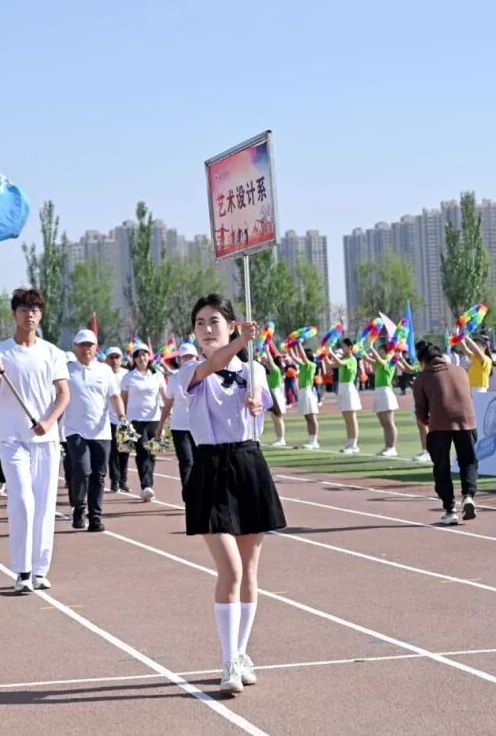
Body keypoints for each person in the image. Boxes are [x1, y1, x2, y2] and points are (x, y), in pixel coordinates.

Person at [179, 293, 286, 695]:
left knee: (250, 570)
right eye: (200, 322)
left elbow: (270, 410)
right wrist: (240, 342)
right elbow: (212, 366)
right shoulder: (190, 370)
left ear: (230, 325)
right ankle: (227, 661)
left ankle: (241, 654)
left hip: (248, 463)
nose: (207, 329)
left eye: (215, 322)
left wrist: (257, 406)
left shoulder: (254, 369)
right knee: (231, 569)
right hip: (210, 468)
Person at [0, 287, 69, 594]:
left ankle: (40, 570)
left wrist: (48, 422)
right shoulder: (0, 352)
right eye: (23, 309)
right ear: (14, 314)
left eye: (34, 310)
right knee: (22, 499)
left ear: (41, 315)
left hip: (45, 439)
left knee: (45, 505)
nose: (29, 315)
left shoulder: (52, 353)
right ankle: (22, 570)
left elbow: (64, 395)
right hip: (11, 438)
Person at [412, 340, 478, 525]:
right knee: (468, 461)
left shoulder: (422, 378)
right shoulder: (460, 370)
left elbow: (420, 412)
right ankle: (468, 495)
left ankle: (450, 509)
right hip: (467, 421)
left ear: (423, 361)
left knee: (441, 466)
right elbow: (469, 396)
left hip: (439, 424)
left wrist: (428, 421)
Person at [64, 329, 123, 531]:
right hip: (75, 430)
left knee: (99, 474)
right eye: (82, 345)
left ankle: (95, 517)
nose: (86, 349)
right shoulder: (67, 370)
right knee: (82, 470)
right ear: (75, 347)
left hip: (101, 431)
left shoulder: (104, 370)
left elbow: (114, 396)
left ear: (96, 348)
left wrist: (122, 416)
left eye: (89, 345)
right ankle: (79, 508)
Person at [120, 341, 167, 502]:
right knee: (143, 451)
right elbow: (123, 399)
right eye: (138, 355)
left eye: (145, 355)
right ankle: (146, 485)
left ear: (149, 357)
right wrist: (123, 419)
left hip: (154, 419)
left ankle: (147, 486)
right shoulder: (128, 377)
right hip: (135, 420)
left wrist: (167, 413)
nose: (142, 358)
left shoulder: (157, 375)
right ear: (134, 359)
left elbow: (165, 396)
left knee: (152, 453)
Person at [161, 342, 199, 498]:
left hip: (200, 426)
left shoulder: (204, 374)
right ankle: (189, 496)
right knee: (187, 462)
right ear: (180, 359)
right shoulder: (175, 378)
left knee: (200, 462)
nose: (188, 360)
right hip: (179, 427)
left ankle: (200, 495)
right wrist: (160, 425)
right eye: (185, 357)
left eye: (191, 356)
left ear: (196, 357)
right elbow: (168, 403)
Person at [364, 343, 407, 457]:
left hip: (386, 393)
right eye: (379, 351)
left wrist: (372, 347)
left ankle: (392, 447)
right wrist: (361, 348)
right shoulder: (378, 363)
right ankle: (387, 446)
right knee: (383, 423)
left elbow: (380, 360)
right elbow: (366, 358)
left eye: (382, 351)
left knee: (389, 423)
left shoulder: (390, 361)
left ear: (387, 353)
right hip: (378, 392)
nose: (380, 353)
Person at [324, 339, 361, 453]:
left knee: (351, 418)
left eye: (344, 346)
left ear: (350, 347)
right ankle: (349, 442)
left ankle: (354, 444)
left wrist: (330, 351)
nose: (343, 349)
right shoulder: (344, 359)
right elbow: (330, 364)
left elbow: (340, 363)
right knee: (347, 419)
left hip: (349, 389)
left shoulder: (351, 359)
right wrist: (324, 354)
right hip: (342, 389)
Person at [103, 346, 129, 492]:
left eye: (117, 357)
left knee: (124, 450)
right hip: (109, 419)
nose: (114, 360)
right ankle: (115, 480)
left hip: (124, 419)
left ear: (121, 359)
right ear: (106, 360)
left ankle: (123, 480)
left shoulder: (127, 374)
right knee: (113, 452)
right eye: (111, 357)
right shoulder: (103, 373)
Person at [287, 346, 320, 449]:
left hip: (307, 392)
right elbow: (294, 356)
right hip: (302, 392)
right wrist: (290, 346)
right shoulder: (303, 365)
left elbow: (302, 357)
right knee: (307, 418)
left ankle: (314, 441)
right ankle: (311, 440)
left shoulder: (311, 365)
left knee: (311, 417)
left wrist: (298, 343)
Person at [258, 351, 287, 447]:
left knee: (277, 417)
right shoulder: (270, 371)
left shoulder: (276, 370)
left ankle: (281, 439)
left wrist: (266, 349)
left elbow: (270, 362)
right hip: (271, 393)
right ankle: (279, 438)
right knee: (274, 418)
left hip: (276, 394)